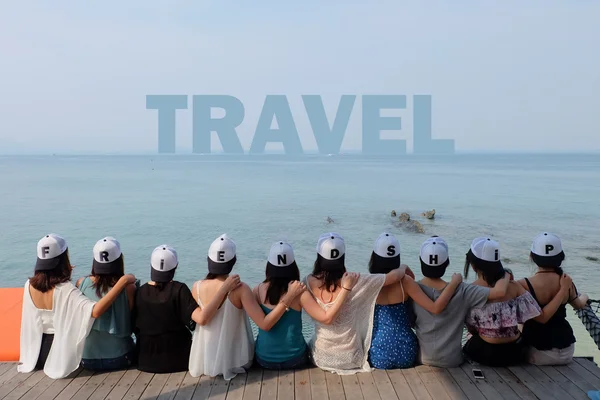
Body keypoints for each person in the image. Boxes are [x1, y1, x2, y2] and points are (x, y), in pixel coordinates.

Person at [188, 234, 305, 380]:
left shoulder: (196, 287)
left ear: (208, 260)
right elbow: (264, 323)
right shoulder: (241, 289)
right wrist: (288, 298)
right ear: (234, 261)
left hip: (204, 361)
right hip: (237, 360)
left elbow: (202, 319)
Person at [18, 234, 136, 379]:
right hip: (60, 355)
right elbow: (95, 311)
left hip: (37, 354)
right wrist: (123, 281)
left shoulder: (29, 286)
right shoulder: (66, 290)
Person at [304, 232, 412, 375]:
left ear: (319, 257)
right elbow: (394, 277)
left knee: (313, 343)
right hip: (352, 358)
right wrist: (403, 266)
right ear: (342, 258)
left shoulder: (307, 283)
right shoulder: (357, 281)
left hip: (323, 358)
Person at [134, 244, 241, 374]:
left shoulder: (139, 292)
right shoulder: (179, 290)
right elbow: (202, 319)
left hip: (144, 361)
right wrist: (224, 289)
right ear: (175, 266)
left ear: (152, 266)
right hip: (178, 360)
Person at [253, 241, 360, 370]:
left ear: (268, 266)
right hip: (295, 359)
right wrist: (345, 289)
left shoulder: (257, 290)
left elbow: (262, 324)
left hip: (264, 360)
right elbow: (326, 318)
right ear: (293, 266)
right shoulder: (300, 293)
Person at [412, 236, 513, 368]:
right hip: (452, 360)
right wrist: (505, 274)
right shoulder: (463, 290)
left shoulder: (413, 290)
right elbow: (499, 292)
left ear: (421, 261)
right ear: (447, 263)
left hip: (422, 358)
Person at [367, 233, 462, 369]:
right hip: (406, 352)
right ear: (397, 257)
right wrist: (454, 283)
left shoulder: (370, 283)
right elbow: (435, 308)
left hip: (379, 353)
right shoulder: (405, 282)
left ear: (374, 258)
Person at [463, 237, 543, 367]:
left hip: (486, 353)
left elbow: (472, 328)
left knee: (470, 342)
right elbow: (532, 312)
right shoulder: (514, 286)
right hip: (515, 352)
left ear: (473, 265)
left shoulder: (470, 290)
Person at [518, 232, 589, 365]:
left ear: (532, 257)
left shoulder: (524, 285)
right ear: (560, 257)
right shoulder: (566, 281)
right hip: (567, 352)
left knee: (521, 322)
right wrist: (585, 296)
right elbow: (579, 305)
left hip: (538, 353)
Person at [76, 237, 137, 371]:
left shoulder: (82, 284)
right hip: (120, 358)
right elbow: (132, 323)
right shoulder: (129, 288)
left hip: (87, 360)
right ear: (120, 260)